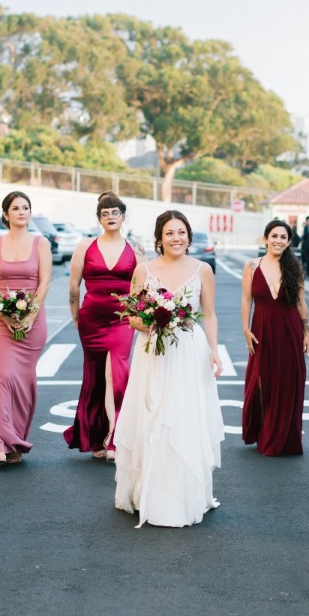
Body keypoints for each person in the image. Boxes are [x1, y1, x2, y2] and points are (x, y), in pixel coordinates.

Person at [114, 210, 224, 528]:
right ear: (159, 239)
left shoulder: (203, 270)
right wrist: (150, 322)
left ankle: (184, 494)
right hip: (153, 351)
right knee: (152, 417)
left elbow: (210, 314)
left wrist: (214, 351)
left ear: (188, 236)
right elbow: (132, 316)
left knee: (184, 418)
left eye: (181, 232)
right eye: (169, 233)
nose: (176, 238)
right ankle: (147, 490)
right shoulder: (144, 270)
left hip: (189, 351)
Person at [65, 191, 140, 460]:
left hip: (122, 320)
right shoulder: (85, 246)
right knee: (95, 377)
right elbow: (74, 285)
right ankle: (95, 436)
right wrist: (75, 315)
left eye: (115, 213)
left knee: (115, 374)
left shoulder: (135, 251)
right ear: (99, 218)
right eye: (105, 214)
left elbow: (142, 290)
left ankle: (115, 437)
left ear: (123, 216)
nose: (110, 217)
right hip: (91, 319)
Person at [0, 190, 52, 464]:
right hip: (0, 321)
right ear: (5, 214)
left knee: (24, 382)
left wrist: (30, 316)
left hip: (33, 322)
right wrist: (5, 312)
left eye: (25, 207)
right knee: (4, 377)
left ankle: (15, 443)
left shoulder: (40, 243)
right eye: (15, 208)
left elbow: (44, 282)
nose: (21, 212)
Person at [241, 220, 309, 456]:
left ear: (289, 242)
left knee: (289, 382)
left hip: (289, 328)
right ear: (265, 239)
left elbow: (301, 302)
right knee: (263, 382)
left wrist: (307, 332)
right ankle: (263, 430)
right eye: (274, 236)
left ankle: (283, 437)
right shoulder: (251, 266)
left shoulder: (295, 268)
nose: (278, 240)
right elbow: (246, 299)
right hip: (261, 328)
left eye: (283, 237)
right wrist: (245, 329)